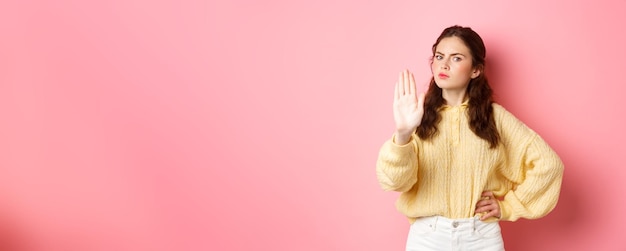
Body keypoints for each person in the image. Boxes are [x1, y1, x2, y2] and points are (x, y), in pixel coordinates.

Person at [375, 25, 564, 251]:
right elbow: (392, 182)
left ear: (475, 70)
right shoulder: (416, 115)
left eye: (456, 58)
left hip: (481, 236)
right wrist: (403, 134)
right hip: (428, 237)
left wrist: (510, 207)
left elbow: (550, 166)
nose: (444, 64)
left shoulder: (495, 118)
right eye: (439, 56)